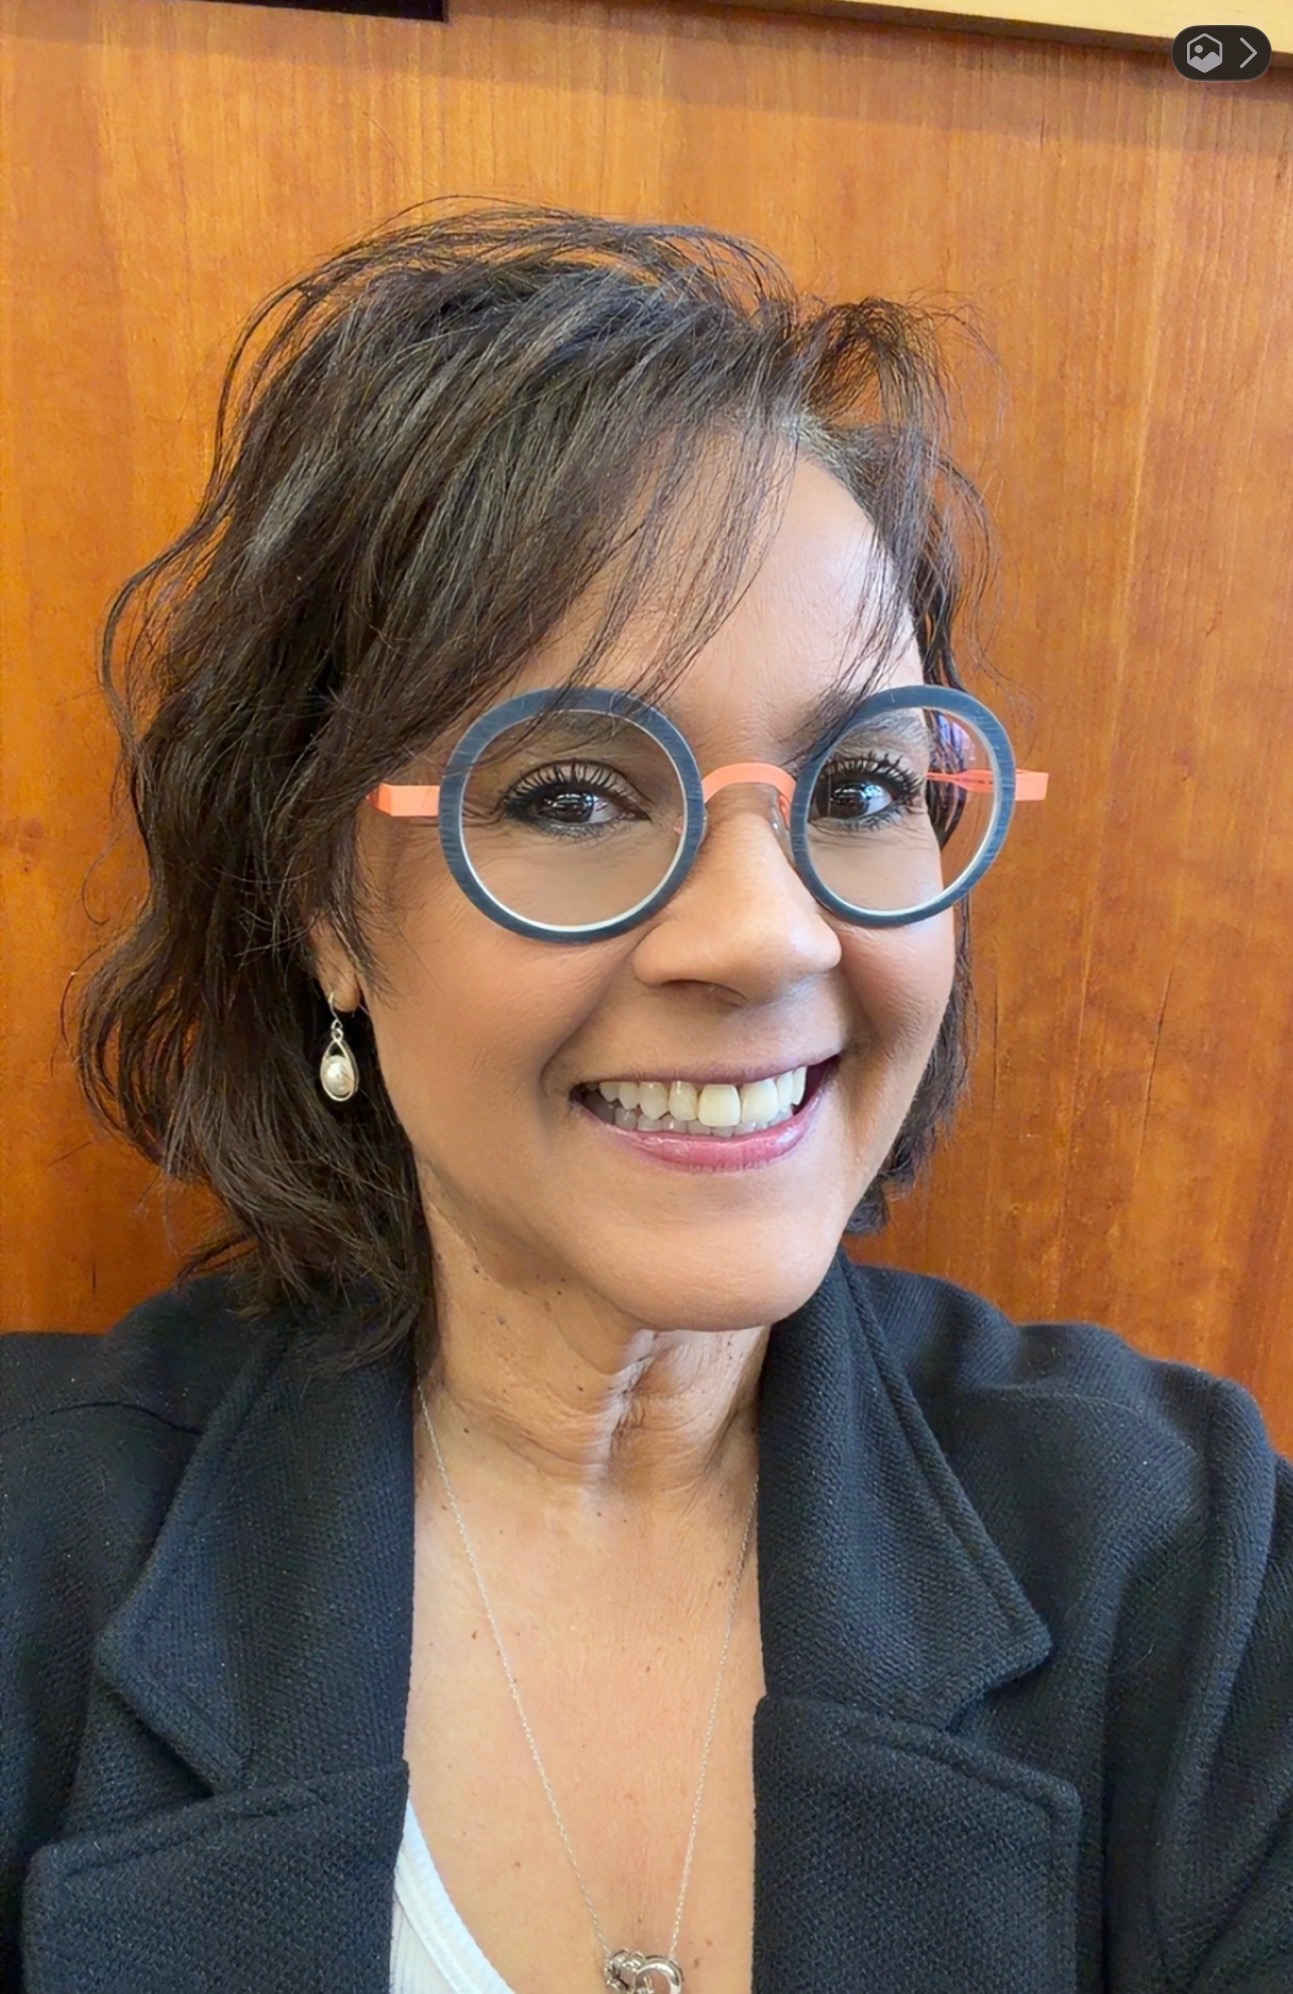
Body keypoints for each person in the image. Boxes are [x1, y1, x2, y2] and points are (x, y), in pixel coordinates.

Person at [2, 198, 1290, 1994]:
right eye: (575, 796)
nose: (769, 936)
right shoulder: (31, 1558)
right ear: (321, 911)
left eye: (855, 784)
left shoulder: (1191, 1562)